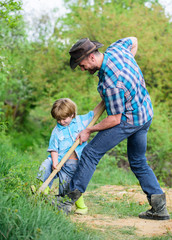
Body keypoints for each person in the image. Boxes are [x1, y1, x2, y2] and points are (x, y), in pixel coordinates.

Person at [54, 37, 170, 220]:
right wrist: (129, 65)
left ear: (91, 57)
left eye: (81, 64)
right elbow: (134, 39)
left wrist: (88, 130)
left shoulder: (111, 84)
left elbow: (115, 119)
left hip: (129, 119)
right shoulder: (117, 51)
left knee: (91, 152)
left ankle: (67, 202)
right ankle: (159, 208)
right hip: (145, 113)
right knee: (138, 161)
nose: (82, 69)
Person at [34, 98, 104, 215]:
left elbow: (94, 113)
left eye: (64, 119)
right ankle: (42, 189)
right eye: (58, 119)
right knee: (46, 165)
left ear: (72, 114)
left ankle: (81, 207)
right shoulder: (56, 131)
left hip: (74, 163)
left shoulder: (81, 121)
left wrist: (104, 101)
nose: (61, 122)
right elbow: (53, 149)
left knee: (68, 187)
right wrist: (55, 163)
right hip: (59, 160)